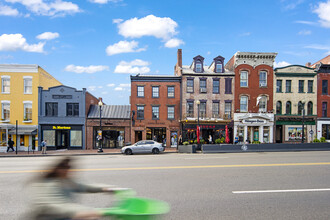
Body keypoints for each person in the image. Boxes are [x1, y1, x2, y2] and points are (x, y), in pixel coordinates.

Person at [28, 156, 130, 220]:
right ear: (58, 170)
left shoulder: (66, 180)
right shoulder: (48, 184)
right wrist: (88, 211)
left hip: (66, 215)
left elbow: (85, 186)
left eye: (70, 168)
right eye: (67, 169)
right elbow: (56, 205)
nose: (70, 171)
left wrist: (109, 188)